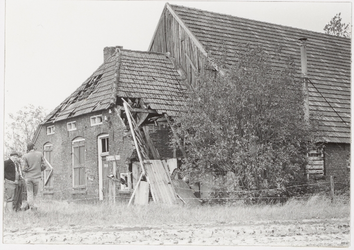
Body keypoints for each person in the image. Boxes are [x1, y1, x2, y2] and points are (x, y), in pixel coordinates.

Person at [22, 142, 47, 211]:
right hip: (37, 177)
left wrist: (29, 169)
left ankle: (30, 207)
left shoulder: (25, 156)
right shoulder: (40, 154)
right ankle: (34, 208)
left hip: (28, 177)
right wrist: (39, 169)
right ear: (33, 147)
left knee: (29, 193)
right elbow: (44, 166)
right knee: (35, 194)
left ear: (28, 148)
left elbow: (24, 168)